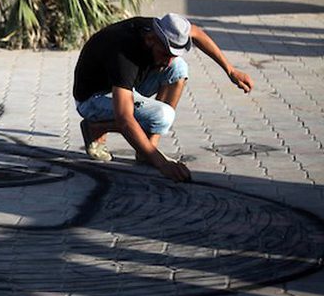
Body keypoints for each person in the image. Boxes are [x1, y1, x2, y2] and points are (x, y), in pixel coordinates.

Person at [73, 13, 254, 182]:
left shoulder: (165, 29)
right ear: (151, 40)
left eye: (172, 54)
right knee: (162, 115)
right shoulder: (125, 55)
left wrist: (230, 70)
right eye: (165, 53)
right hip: (92, 99)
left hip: (124, 85)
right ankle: (95, 127)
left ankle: (146, 150)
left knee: (178, 68)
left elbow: (197, 32)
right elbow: (124, 119)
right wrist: (162, 163)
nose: (167, 61)